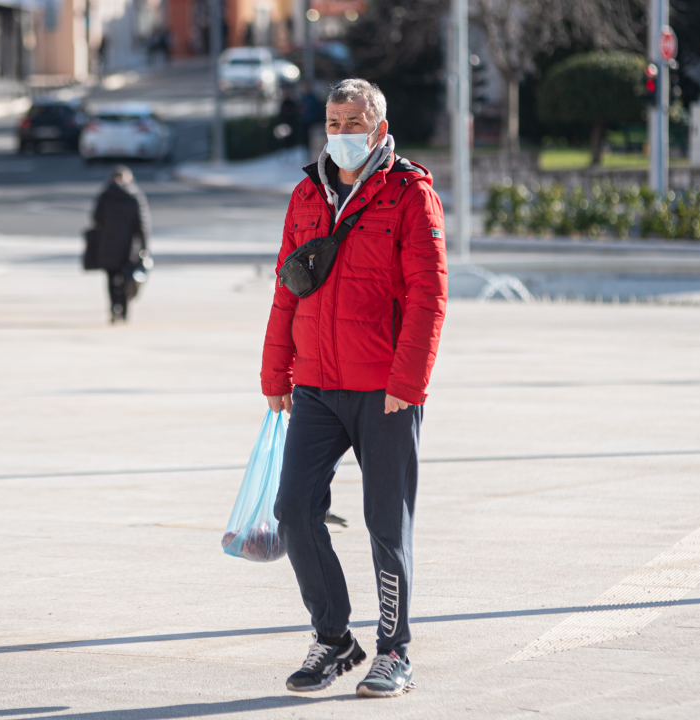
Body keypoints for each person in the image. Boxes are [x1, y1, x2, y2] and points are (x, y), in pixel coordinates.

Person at [261, 78, 447, 698]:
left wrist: (408, 381)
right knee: (293, 511)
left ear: (379, 125)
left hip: (385, 388)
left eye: (353, 121)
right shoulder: (306, 193)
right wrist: (275, 371)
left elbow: (428, 296)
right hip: (315, 383)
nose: (342, 132)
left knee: (384, 522)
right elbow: (288, 286)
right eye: (334, 121)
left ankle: (395, 651)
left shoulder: (410, 194)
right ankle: (334, 638)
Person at [91, 166, 150, 323]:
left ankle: (113, 308)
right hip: (129, 246)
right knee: (126, 278)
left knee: (111, 279)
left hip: (107, 243)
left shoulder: (104, 196)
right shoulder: (134, 197)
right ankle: (124, 310)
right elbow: (142, 225)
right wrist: (145, 247)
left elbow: (96, 219)